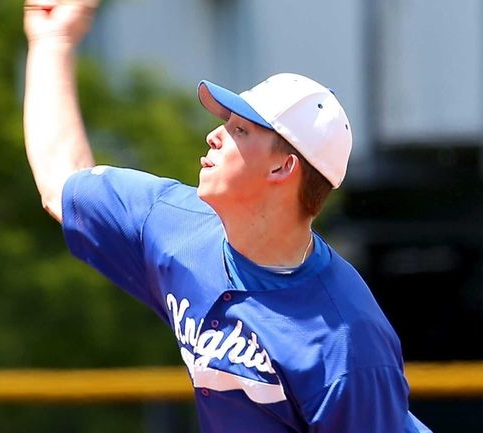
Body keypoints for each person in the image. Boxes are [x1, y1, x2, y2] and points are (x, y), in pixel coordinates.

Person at [23, 2, 431, 432]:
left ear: (282, 168)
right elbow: (61, 181)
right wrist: (53, 40)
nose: (214, 135)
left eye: (240, 130)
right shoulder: (173, 223)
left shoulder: (346, 341)